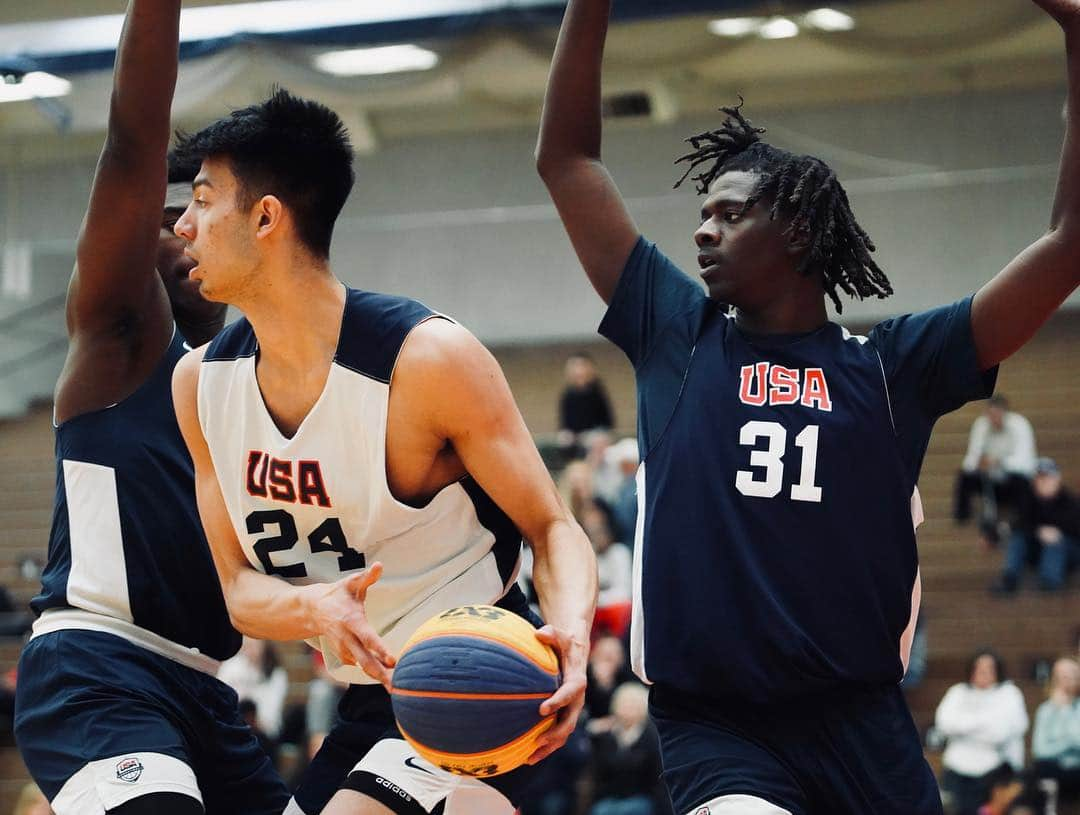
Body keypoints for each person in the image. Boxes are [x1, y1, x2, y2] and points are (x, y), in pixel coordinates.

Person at [534, 0, 1080, 811]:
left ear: (794, 230)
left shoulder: (896, 367)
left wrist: (1077, 36)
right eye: (702, 215)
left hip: (861, 722)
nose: (702, 232)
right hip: (718, 726)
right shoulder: (677, 333)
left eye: (728, 212)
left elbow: (1069, 244)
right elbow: (566, 160)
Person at [169, 90, 597, 815]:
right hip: (370, 704)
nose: (183, 225)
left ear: (266, 217)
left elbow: (552, 526)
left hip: (480, 672)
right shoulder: (199, 384)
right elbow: (240, 592)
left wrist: (576, 640)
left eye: (204, 201)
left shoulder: (426, 361)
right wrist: (315, 608)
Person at [12, 3, 289, 814]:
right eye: (169, 213)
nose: (183, 226)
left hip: (207, 690)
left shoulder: (249, 390)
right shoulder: (119, 339)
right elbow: (132, 142)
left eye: (203, 210)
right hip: (99, 666)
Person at [935, 651, 1029, 815]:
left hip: (994, 769)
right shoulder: (957, 692)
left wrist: (964, 727)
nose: (983, 672)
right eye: (979, 667)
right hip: (957, 767)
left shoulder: (1009, 693)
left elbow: (1000, 733)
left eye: (989, 668)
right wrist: (984, 722)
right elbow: (944, 724)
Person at [954, 395, 1037, 540]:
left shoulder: (1020, 425)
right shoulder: (981, 425)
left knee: (1023, 484)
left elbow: (1026, 462)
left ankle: (1021, 522)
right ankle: (962, 516)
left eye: (996, 415)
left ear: (1005, 413)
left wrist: (998, 462)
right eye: (990, 415)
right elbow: (971, 458)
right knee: (965, 477)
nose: (993, 419)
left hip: (1013, 481)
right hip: (991, 479)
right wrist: (979, 463)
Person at [993, 457, 1080, 593]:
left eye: (1047, 478)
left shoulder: (1071, 502)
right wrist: (1039, 531)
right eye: (1039, 478)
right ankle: (1009, 580)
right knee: (1018, 539)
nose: (1043, 482)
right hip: (1037, 550)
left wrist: (1058, 533)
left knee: (1055, 542)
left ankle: (1050, 582)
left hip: (1068, 553)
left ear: (1057, 479)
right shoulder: (1027, 502)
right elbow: (1019, 524)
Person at [587, 683, 668, 815]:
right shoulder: (606, 737)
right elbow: (598, 772)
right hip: (609, 798)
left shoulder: (651, 737)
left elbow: (657, 779)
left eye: (632, 705)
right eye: (624, 704)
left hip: (641, 799)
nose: (627, 709)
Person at [217, 637, 289, 740]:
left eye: (255, 644)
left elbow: (271, 714)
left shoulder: (276, 674)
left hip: (263, 732)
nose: (250, 649)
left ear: (265, 645)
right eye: (248, 644)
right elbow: (220, 698)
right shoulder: (231, 666)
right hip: (232, 726)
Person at [1032, 656, 1080, 802]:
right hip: (1053, 769)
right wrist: (1068, 744)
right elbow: (1040, 751)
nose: (1067, 682)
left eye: (1072, 676)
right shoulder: (1045, 710)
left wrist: (1065, 710)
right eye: (1062, 677)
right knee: (1040, 770)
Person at [558, 352, 615, 459]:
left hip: (595, 433)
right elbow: (565, 423)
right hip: (576, 435)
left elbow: (607, 421)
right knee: (564, 440)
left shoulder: (597, 392)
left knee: (595, 441)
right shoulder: (568, 394)